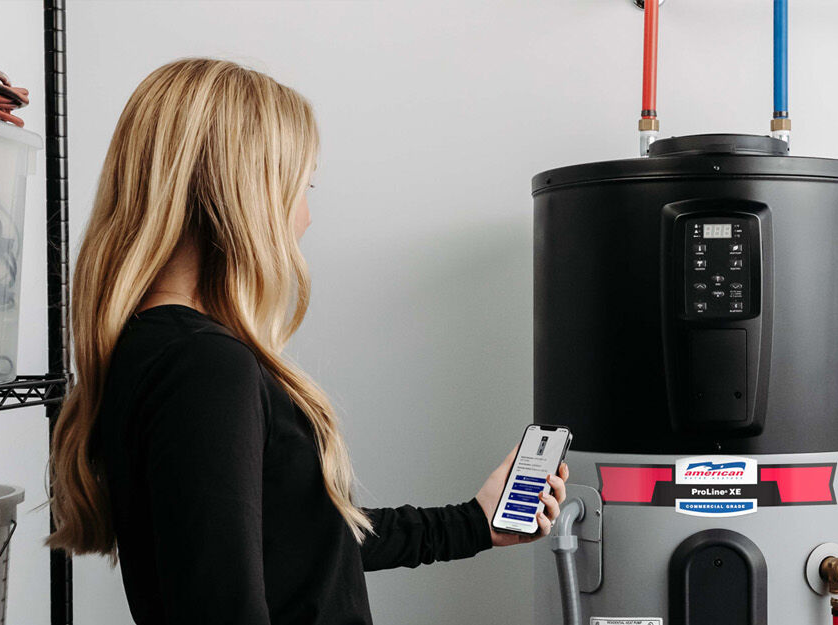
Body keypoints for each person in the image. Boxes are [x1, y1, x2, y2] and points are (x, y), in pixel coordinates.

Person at [44, 58, 565, 625]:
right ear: (243, 191)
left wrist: (471, 522)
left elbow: (293, 539)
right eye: (301, 187)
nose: (306, 218)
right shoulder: (206, 367)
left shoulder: (155, 347)